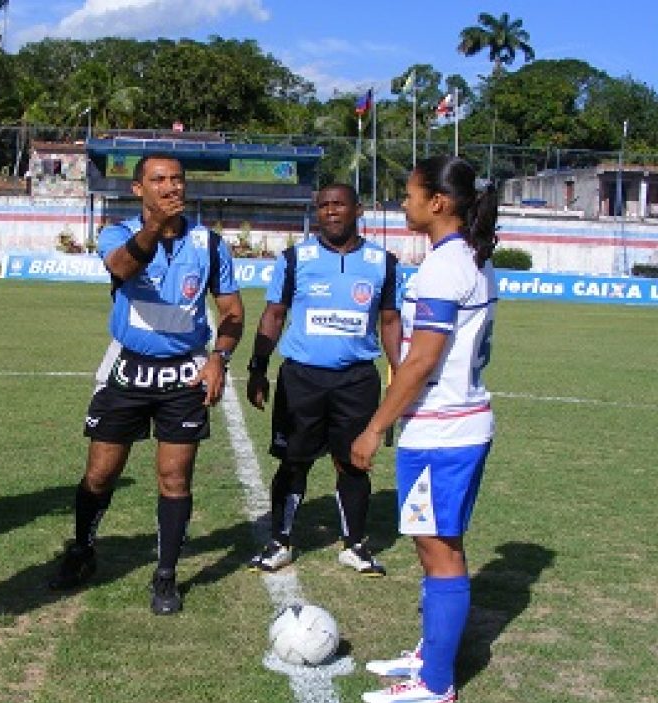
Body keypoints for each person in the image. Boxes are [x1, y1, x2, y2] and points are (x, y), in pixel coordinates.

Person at [48, 153, 245, 615]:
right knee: (100, 473)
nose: (170, 187)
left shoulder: (210, 245)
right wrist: (155, 226)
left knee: (174, 478)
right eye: (158, 180)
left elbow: (233, 313)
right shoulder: (117, 233)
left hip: (184, 374)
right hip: (127, 369)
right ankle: (82, 550)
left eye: (177, 179)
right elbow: (120, 268)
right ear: (139, 189)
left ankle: (166, 574)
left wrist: (220, 357)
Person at [351, 156, 499, 703]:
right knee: (431, 543)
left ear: (438, 202)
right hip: (448, 427)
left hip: (444, 431)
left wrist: (373, 429)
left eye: (409, 193)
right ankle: (430, 654)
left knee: (440, 551)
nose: (403, 202)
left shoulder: (446, 267)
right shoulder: (470, 258)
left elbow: (419, 363)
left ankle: (436, 683)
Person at [245, 184, 402, 575]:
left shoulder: (384, 262)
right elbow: (274, 314)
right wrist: (258, 368)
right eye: (324, 206)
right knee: (293, 462)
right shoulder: (296, 258)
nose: (331, 212)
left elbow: (390, 321)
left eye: (339, 204)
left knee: (354, 463)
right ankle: (279, 541)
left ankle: (355, 545)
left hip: (356, 379)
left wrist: (399, 372)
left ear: (357, 209)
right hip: (301, 378)